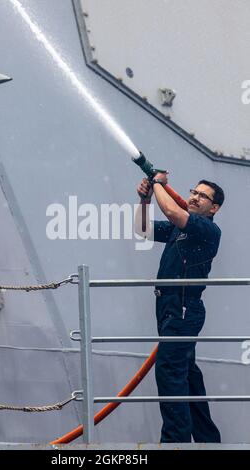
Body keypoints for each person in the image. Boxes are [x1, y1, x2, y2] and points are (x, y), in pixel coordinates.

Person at [135, 173, 224, 443]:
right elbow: (143, 230)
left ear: (214, 208)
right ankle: (209, 440)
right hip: (168, 306)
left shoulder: (206, 229)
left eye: (202, 195)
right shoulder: (181, 226)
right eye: (193, 192)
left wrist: (159, 183)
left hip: (184, 309)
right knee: (187, 374)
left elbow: (173, 211)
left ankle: (175, 442)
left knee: (170, 371)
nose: (194, 197)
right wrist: (145, 199)